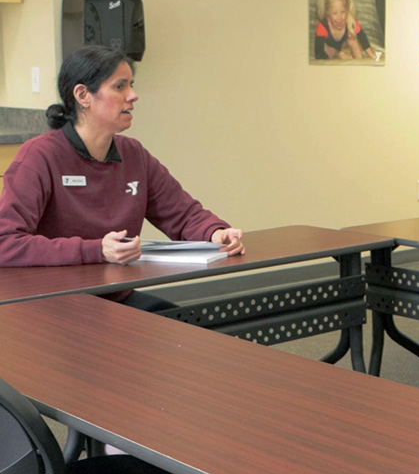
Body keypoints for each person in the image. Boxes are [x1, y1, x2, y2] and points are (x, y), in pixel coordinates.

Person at [0, 45, 245, 310]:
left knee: (181, 326)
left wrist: (215, 232)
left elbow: (183, 214)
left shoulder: (133, 153)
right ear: (83, 95)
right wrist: (96, 250)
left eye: (131, 85)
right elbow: (5, 242)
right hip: (53, 304)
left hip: (114, 296)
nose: (133, 95)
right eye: (120, 87)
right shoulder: (40, 155)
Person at [313, 0, 377, 61]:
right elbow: (318, 52)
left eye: (343, 12)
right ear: (327, 13)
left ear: (347, 10)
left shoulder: (350, 21)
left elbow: (362, 38)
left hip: (344, 44)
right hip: (330, 48)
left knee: (353, 40)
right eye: (334, 13)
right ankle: (341, 56)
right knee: (325, 55)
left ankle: (347, 56)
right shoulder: (323, 25)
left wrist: (372, 55)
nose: (339, 17)